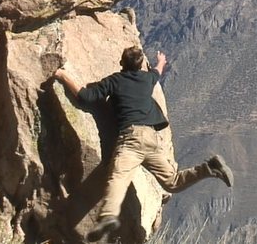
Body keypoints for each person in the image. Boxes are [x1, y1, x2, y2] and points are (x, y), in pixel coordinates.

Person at [53, 46, 233, 242]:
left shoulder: (116, 80)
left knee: (118, 177)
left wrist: (62, 75)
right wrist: (161, 61)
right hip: (151, 139)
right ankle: (209, 168)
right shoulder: (146, 79)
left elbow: (86, 96)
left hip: (132, 139)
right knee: (172, 182)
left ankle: (107, 217)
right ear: (141, 65)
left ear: (122, 63)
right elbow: (156, 73)